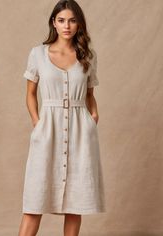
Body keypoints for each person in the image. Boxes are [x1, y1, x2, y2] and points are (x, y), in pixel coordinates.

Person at [18, 0, 106, 235]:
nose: (67, 25)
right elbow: (30, 94)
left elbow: (89, 96)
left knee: (74, 205)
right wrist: (38, 124)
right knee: (34, 201)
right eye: (62, 20)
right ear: (54, 23)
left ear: (79, 24)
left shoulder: (88, 55)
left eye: (72, 20)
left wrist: (93, 116)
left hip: (81, 133)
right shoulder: (38, 54)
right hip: (48, 129)